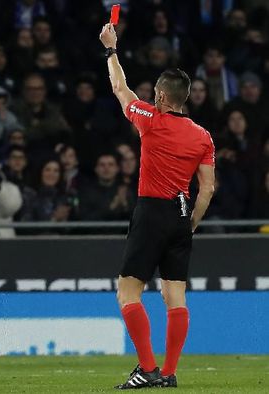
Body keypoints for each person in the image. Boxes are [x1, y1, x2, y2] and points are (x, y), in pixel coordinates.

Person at [100, 23, 215, 389]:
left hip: (151, 212)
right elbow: (208, 188)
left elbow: (120, 89)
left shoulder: (152, 121)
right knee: (174, 296)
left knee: (128, 291)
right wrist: (191, 223)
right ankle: (168, 373)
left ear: (162, 98)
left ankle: (148, 369)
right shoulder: (202, 136)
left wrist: (111, 50)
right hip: (181, 215)